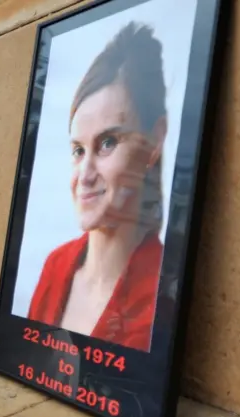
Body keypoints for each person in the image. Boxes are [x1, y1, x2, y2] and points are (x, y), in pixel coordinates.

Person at [27, 22, 168, 352]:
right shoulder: (56, 265)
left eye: (108, 142)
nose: (85, 175)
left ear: (154, 142)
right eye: (78, 150)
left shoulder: (162, 293)